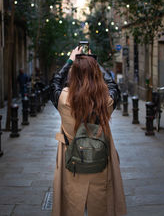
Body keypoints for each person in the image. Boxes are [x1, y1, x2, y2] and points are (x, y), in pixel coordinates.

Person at [50, 46, 126, 216]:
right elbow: (114, 86)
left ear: (73, 74)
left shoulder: (64, 99)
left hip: (72, 163)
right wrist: (94, 63)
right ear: (96, 74)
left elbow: (54, 83)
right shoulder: (104, 101)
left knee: (71, 202)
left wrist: (70, 60)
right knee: (101, 204)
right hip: (100, 163)